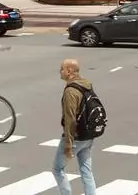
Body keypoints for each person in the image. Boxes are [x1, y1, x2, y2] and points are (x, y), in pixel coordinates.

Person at [52, 58, 98, 195]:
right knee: (86, 171)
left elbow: (70, 120)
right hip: (88, 135)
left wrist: (68, 143)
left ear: (69, 71)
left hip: (76, 137)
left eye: (62, 69)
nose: (60, 71)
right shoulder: (86, 85)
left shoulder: (71, 91)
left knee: (57, 169)